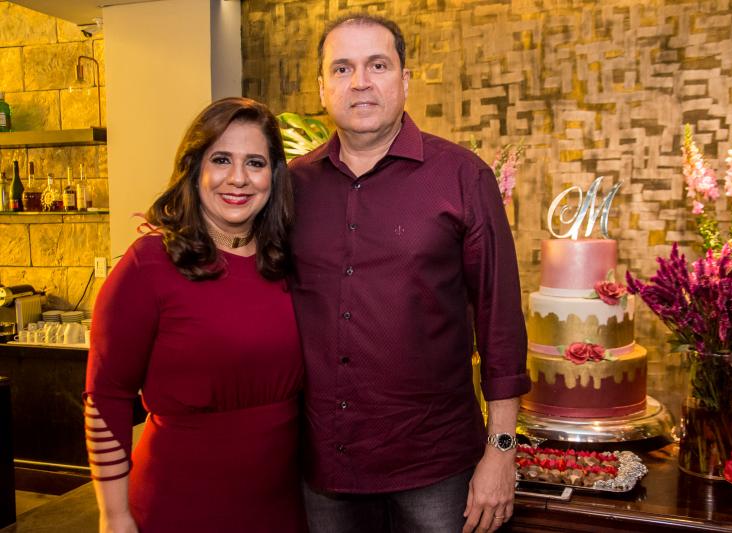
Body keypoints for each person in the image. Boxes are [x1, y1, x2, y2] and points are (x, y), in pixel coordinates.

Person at [289, 14, 529, 533]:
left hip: (436, 467)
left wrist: (502, 450)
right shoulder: (293, 187)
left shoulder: (462, 176)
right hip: (326, 468)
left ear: (405, 80)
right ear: (322, 88)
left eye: (377, 65)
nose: (360, 82)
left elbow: (501, 323)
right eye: (342, 68)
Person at [83, 97, 305, 532]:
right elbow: (105, 396)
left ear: (274, 176)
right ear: (194, 168)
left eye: (255, 163)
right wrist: (114, 516)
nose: (238, 178)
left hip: (283, 510)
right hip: (178, 507)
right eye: (221, 159)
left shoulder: (289, 263)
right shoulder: (149, 264)